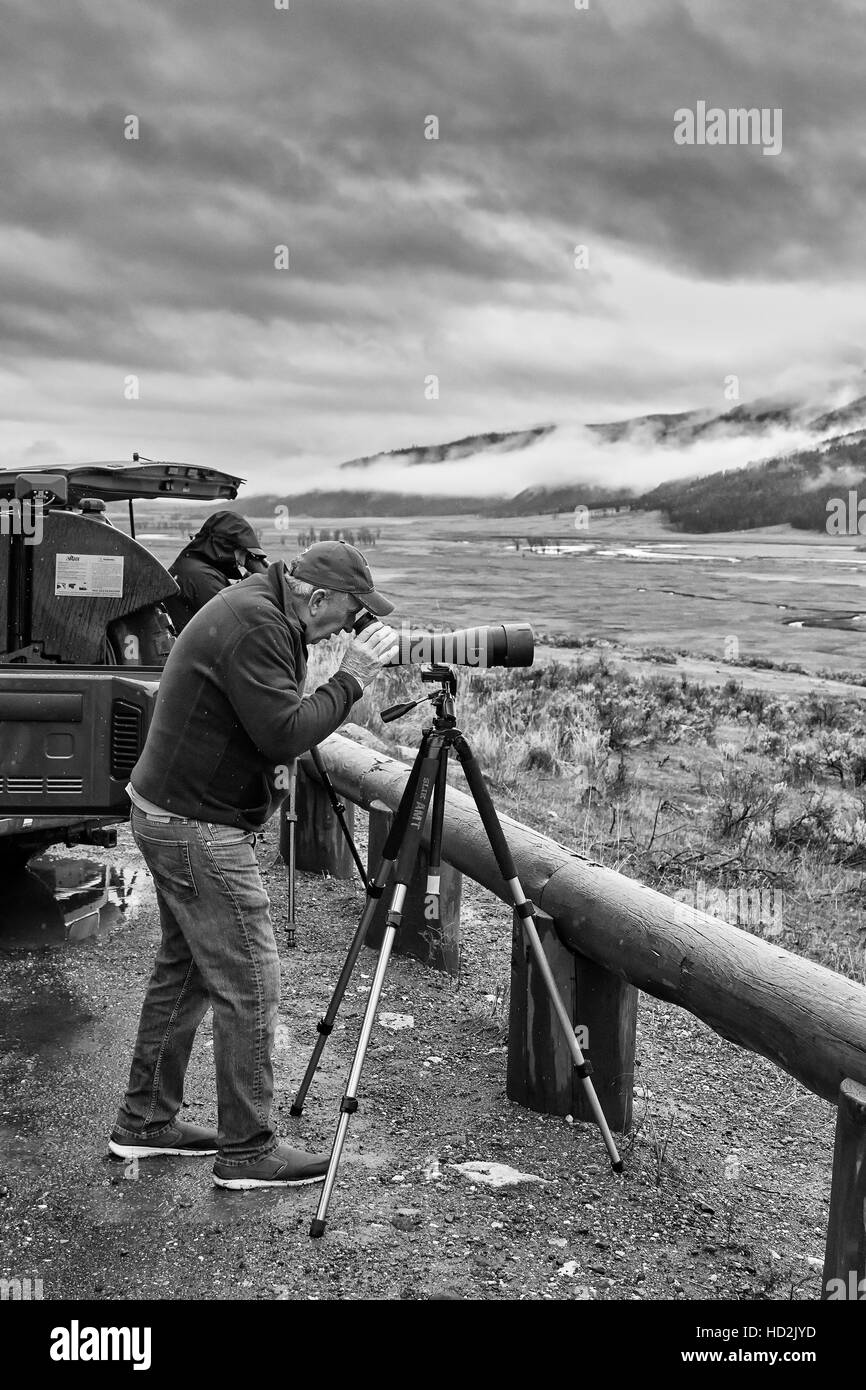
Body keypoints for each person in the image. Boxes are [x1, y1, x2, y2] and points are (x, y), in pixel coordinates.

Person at [109, 541, 399, 1188]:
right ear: (317, 597)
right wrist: (351, 676)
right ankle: (246, 1150)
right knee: (250, 978)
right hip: (196, 826)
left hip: (169, 813)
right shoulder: (259, 625)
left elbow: (268, 723)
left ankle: (145, 1123)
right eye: (350, 613)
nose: (351, 627)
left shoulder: (264, 610)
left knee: (183, 973)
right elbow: (283, 733)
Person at [164, 510, 269, 635]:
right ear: (224, 546)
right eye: (241, 552)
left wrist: (243, 586)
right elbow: (234, 625)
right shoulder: (203, 577)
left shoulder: (192, 566)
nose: (242, 562)